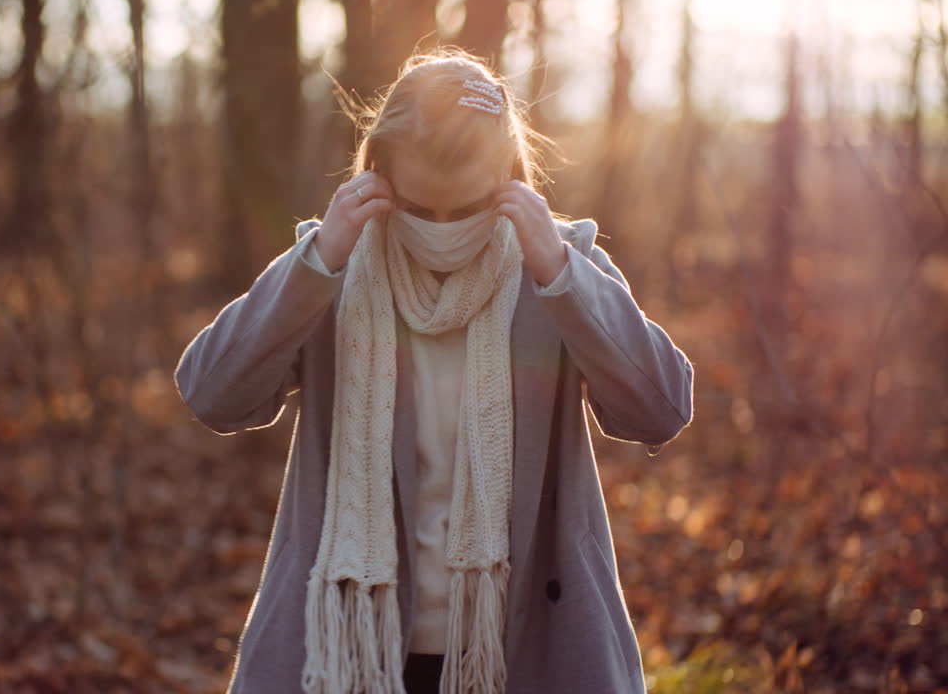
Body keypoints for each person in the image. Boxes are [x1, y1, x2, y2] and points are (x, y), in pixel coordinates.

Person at [174, 48, 694, 694]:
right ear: (379, 176)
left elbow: (661, 408)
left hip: (524, 652)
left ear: (508, 177)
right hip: (356, 656)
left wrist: (563, 275)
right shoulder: (335, 268)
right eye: (420, 210)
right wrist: (316, 263)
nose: (443, 231)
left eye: (467, 208)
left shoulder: (555, 265)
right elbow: (212, 393)